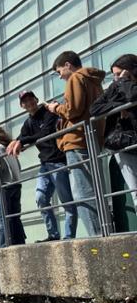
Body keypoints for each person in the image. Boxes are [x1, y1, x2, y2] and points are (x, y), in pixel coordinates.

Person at [46, 50, 105, 236]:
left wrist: (55, 108)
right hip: (92, 137)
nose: (60, 76)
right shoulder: (93, 80)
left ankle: (96, 237)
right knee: (92, 189)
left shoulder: (75, 78)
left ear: (67, 65)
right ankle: (101, 232)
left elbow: (73, 110)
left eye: (59, 72)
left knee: (82, 193)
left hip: (77, 139)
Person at [7, 90, 77, 241]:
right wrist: (15, 141)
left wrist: (22, 141)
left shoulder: (48, 113)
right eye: (25, 101)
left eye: (31, 99)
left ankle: (69, 236)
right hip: (45, 164)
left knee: (67, 201)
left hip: (58, 161)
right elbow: (23, 136)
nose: (29, 102)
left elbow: (43, 134)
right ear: (22, 105)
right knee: (41, 198)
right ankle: (53, 234)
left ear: (36, 99)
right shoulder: (28, 122)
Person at [91, 53, 137, 209]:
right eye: (115, 75)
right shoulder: (115, 87)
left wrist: (125, 82)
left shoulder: (126, 84)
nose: (116, 78)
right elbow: (94, 109)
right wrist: (118, 105)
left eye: (120, 73)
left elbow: (134, 95)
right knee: (135, 191)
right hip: (124, 144)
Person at [0, 126, 26, 247]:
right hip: (16, 185)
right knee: (15, 217)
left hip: (4, 187)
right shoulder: (9, 149)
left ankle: (4, 246)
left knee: (3, 221)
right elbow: (19, 167)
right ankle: (20, 243)